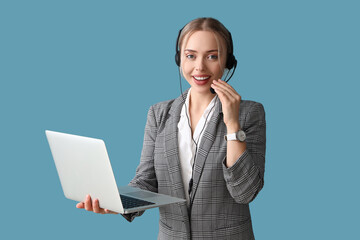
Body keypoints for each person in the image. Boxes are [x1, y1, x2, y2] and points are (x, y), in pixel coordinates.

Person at [76, 17, 266, 240]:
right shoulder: (159, 114)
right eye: (190, 56)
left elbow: (245, 192)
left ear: (227, 62)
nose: (200, 67)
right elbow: (146, 181)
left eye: (212, 56)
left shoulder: (249, 113)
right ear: (179, 60)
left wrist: (232, 124)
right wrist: (116, 202)